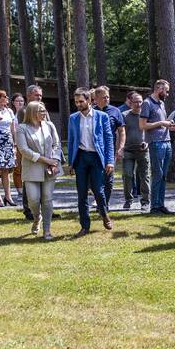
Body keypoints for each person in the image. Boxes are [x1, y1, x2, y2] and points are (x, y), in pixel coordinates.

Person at [68, 88, 115, 237]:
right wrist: (71, 162)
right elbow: (71, 141)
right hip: (81, 157)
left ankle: (104, 214)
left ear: (89, 101)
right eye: (76, 102)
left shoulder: (102, 117)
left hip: (96, 158)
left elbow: (109, 140)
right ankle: (84, 226)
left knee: (98, 191)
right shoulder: (73, 118)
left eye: (81, 101)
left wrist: (110, 161)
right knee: (81, 194)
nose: (78, 104)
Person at [15, 101, 62, 240]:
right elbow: (23, 150)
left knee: (47, 199)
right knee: (33, 200)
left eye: (44, 110)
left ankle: (47, 230)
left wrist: (54, 161)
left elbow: (56, 144)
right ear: (32, 112)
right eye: (41, 110)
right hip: (32, 169)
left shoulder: (49, 125)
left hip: (50, 168)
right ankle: (37, 217)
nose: (44, 113)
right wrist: (45, 160)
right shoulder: (22, 128)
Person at [140, 79, 175, 215]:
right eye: (166, 91)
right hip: (156, 143)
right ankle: (154, 205)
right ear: (159, 89)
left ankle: (160, 204)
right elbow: (142, 125)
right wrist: (161, 122)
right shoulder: (147, 103)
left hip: (166, 141)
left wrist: (168, 124)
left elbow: (161, 123)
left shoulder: (161, 103)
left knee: (164, 175)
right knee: (157, 174)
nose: (167, 94)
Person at [93, 86, 126, 209]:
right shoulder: (91, 111)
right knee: (95, 178)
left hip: (109, 150)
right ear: (96, 99)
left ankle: (104, 204)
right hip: (94, 150)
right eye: (104, 97)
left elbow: (122, 131)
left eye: (108, 97)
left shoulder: (115, 111)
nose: (107, 99)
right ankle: (99, 200)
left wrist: (121, 147)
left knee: (108, 178)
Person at [16, 85, 44, 221]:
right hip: (29, 151)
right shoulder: (23, 111)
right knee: (29, 180)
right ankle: (28, 210)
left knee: (44, 181)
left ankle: (44, 210)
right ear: (29, 96)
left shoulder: (42, 108)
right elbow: (24, 131)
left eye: (40, 95)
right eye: (36, 95)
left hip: (43, 151)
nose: (39, 97)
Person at [121, 92, 150, 211]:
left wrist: (147, 142)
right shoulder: (124, 115)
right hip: (128, 150)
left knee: (144, 176)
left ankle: (145, 201)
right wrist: (120, 148)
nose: (138, 104)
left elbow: (151, 130)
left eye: (140, 102)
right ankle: (128, 199)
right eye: (135, 102)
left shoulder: (146, 115)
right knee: (127, 175)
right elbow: (120, 133)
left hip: (143, 150)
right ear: (130, 103)